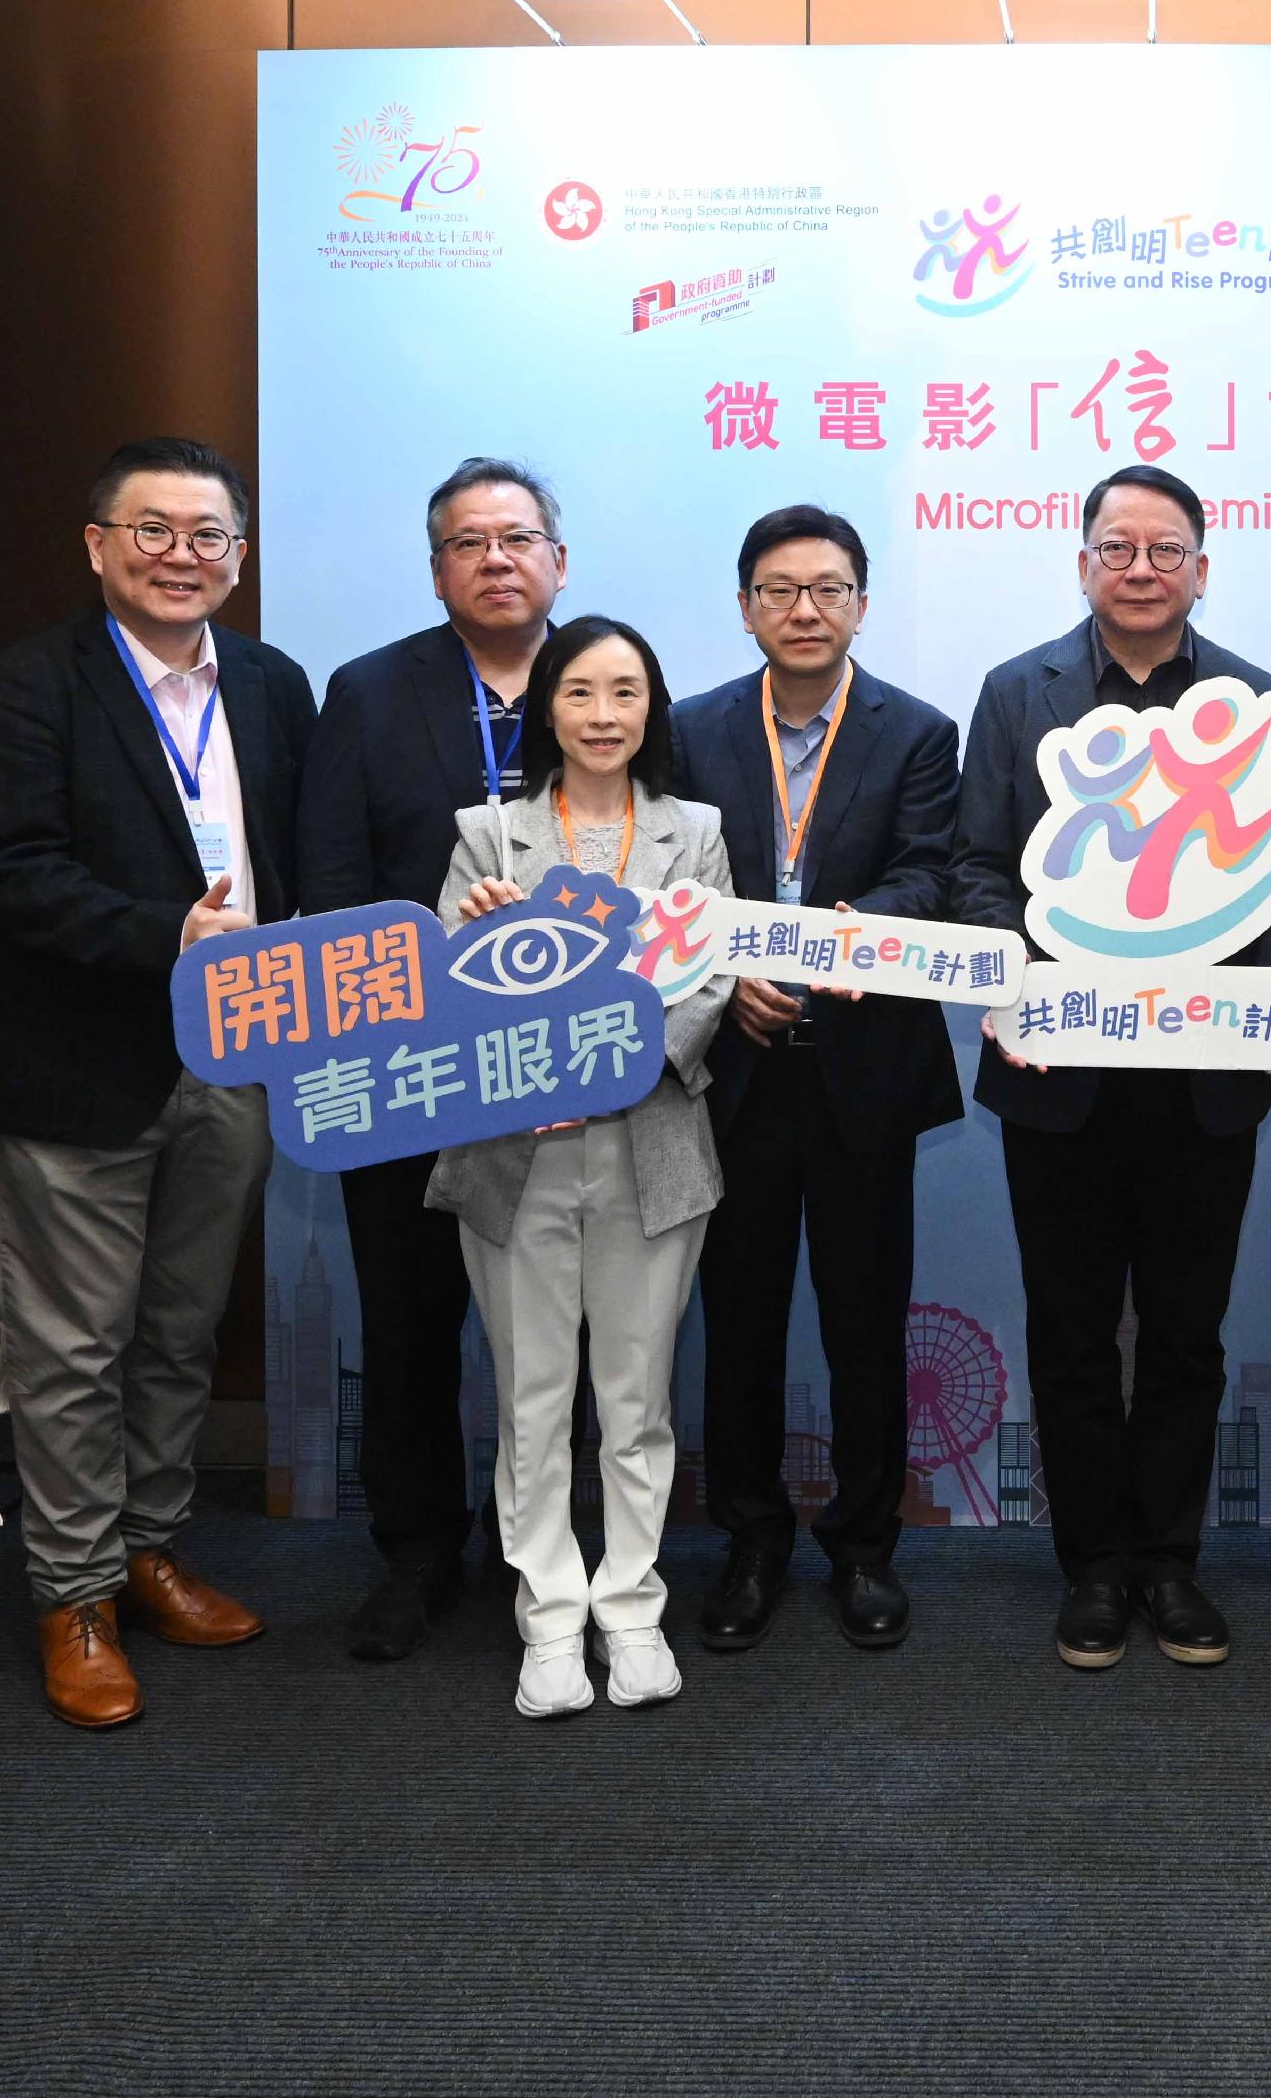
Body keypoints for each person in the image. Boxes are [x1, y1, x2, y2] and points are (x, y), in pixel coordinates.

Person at [0, 436, 315, 1728]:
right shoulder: (27, 688)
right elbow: (11, 871)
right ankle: (75, 1592)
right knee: (72, 1348)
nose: (182, 556)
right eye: (153, 531)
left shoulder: (272, 687)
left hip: (234, 1057)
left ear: (240, 555)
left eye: (208, 535)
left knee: (178, 1329)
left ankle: (152, 1549)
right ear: (97, 545)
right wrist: (165, 931)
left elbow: (299, 862)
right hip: (77, 1065)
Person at [954, 463, 1271, 1672]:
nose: (1142, 570)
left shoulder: (1255, 701)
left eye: (1165, 550)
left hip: (1203, 1083)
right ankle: (1093, 1570)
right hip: (1057, 1074)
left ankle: (1170, 1564)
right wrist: (1015, 983)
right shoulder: (1018, 695)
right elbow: (977, 873)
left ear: (1202, 568)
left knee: (1184, 1333)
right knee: (1067, 1331)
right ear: (1082, 564)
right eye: (1118, 549)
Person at [428, 618, 736, 1721]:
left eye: (625, 693)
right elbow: (437, 997)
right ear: (545, 710)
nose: (604, 716)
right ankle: (549, 1616)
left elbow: (708, 981)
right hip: (516, 1156)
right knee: (532, 1397)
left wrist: (615, 1062)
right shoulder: (488, 836)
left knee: (636, 1397)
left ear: (651, 709)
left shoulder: (692, 832)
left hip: (648, 1143)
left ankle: (633, 1605)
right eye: (580, 694)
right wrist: (470, 942)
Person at [672, 507, 962, 1655]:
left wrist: (853, 939)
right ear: (746, 606)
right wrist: (730, 974)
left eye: (828, 589)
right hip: (734, 1069)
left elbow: (929, 871)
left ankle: (862, 1546)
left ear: (862, 603)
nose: (805, 609)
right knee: (736, 1322)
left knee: (863, 1322)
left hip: (861, 1070)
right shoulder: (690, 732)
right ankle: (748, 1541)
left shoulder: (917, 732)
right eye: (780, 590)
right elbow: (668, 883)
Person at [298, 456, 571, 1662]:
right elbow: (335, 882)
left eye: (518, 538)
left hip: (575, 1070)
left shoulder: (606, 680)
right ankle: (416, 1551)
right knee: (409, 1321)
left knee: (563, 1324)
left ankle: (555, 1554)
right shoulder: (369, 690)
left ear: (558, 560)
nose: (496, 559)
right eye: (469, 543)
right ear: (436, 569)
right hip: (407, 1062)